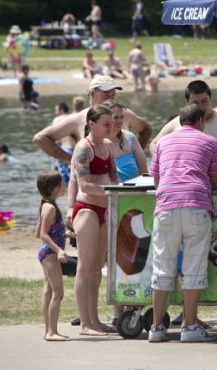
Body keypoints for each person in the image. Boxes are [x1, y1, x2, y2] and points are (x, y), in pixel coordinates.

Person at [148, 103, 217, 343]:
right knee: (193, 267)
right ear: (200, 121)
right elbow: (216, 181)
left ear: (181, 122)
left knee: (162, 267)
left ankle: (156, 327)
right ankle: (190, 327)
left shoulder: (162, 142)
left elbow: (156, 180)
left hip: (166, 207)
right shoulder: (210, 142)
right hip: (196, 205)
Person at [33, 76, 153, 185]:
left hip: (128, 185)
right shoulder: (78, 119)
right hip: (95, 187)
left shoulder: (124, 114)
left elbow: (146, 129)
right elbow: (41, 138)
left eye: (113, 93)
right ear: (92, 93)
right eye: (106, 93)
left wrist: (136, 154)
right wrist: (71, 161)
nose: (110, 97)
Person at [71, 104, 118, 336]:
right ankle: (85, 323)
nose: (111, 127)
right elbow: (85, 185)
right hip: (87, 210)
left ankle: (95, 320)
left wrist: (120, 191)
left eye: (112, 123)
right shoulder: (83, 148)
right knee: (85, 267)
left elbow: (114, 177)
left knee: (98, 268)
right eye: (106, 124)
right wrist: (111, 191)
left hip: (105, 210)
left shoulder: (108, 145)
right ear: (91, 124)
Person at [35, 170, 70, 341]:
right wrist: (59, 250)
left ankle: (48, 331)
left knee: (48, 291)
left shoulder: (46, 205)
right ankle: (51, 332)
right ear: (53, 188)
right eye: (61, 184)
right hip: (49, 254)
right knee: (58, 293)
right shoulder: (50, 207)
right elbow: (43, 234)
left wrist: (66, 234)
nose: (64, 187)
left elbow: (38, 232)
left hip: (45, 253)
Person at [105, 100, 147, 183]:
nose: (120, 121)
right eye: (116, 117)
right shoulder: (96, 142)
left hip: (132, 193)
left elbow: (144, 173)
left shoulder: (130, 138)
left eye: (122, 117)